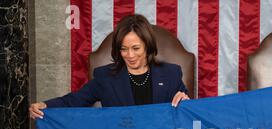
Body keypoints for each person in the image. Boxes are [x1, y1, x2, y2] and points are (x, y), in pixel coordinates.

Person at [29, 14, 189, 120]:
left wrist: (186, 102)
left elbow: (188, 110)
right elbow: (74, 100)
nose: (130, 55)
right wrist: (46, 106)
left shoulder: (171, 73)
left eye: (136, 48)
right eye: (124, 49)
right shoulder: (105, 77)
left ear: (147, 46)